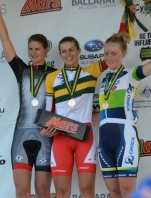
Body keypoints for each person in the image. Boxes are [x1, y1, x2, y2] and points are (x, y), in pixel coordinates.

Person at [0, 1, 57, 197]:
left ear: (46, 50)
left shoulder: (56, 74)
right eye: (30, 49)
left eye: (37, 49)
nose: (33, 53)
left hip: (45, 135)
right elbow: (5, 40)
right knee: (21, 191)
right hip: (21, 134)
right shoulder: (21, 70)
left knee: (42, 190)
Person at [97, 31, 151, 198]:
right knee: (113, 192)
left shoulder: (131, 74)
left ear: (124, 53)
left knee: (128, 192)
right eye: (106, 53)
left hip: (124, 135)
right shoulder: (104, 79)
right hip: (104, 138)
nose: (109, 57)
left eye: (114, 53)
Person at [41, 36, 108, 197]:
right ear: (60, 54)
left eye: (71, 49)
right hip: (60, 136)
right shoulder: (52, 77)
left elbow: (112, 54)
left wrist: (125, 24)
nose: (68, 54)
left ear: (78, 51)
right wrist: (44, 130)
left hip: (84, 135)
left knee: (87, 190)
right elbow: (49, 110)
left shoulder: (91, 72)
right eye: (64, 51)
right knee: (61, 192)